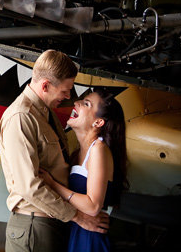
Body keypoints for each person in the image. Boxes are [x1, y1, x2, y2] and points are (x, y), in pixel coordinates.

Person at [0, 49, 109, 252]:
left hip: (51, 224)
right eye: (65, 90)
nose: (68, 97)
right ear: (46, 85)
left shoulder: (45, 113)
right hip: (34, 228)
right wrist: (79, 217)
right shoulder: (22, 117)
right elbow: (29, 187)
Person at [39, 87, 127, 252]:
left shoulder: (98, 148)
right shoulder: (78, 152)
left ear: (98, 122)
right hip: (76, 232)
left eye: (86, 104)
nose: (76, 102)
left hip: (89, 237)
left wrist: (53, 185)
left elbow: (93, 206)